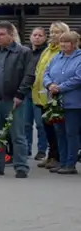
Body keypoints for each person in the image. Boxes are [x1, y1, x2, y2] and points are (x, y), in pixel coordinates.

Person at [0, 21, 35, 178]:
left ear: (11, 35)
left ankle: (21, 166)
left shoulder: (23, 52)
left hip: (13, 100)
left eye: (2, 34)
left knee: (17, 135)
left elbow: (29, 75)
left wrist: (20, 94)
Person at [43, 31, 81, 175]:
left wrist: (60, 87)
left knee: (71, 133)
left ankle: (70, 164)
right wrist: (49, 84)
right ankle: (63, 161)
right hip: (56, 103)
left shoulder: (79, 58)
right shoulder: (56, 57)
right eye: (61, 42)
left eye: (67, 42)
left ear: (74, 43)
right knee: (60, 133)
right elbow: (46, 73)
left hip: (74, 103)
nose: (63, 45)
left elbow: (78, 78)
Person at [32, 23, 69, 170]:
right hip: (42, 95)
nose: (53, 35)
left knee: (56, 128)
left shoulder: (63, 50)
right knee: (47, 127)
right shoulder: (48, 49)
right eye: (52, 32)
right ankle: (52, 154)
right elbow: (42, 70)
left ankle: (58, 156)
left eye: (57, 32)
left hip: (55, 95)